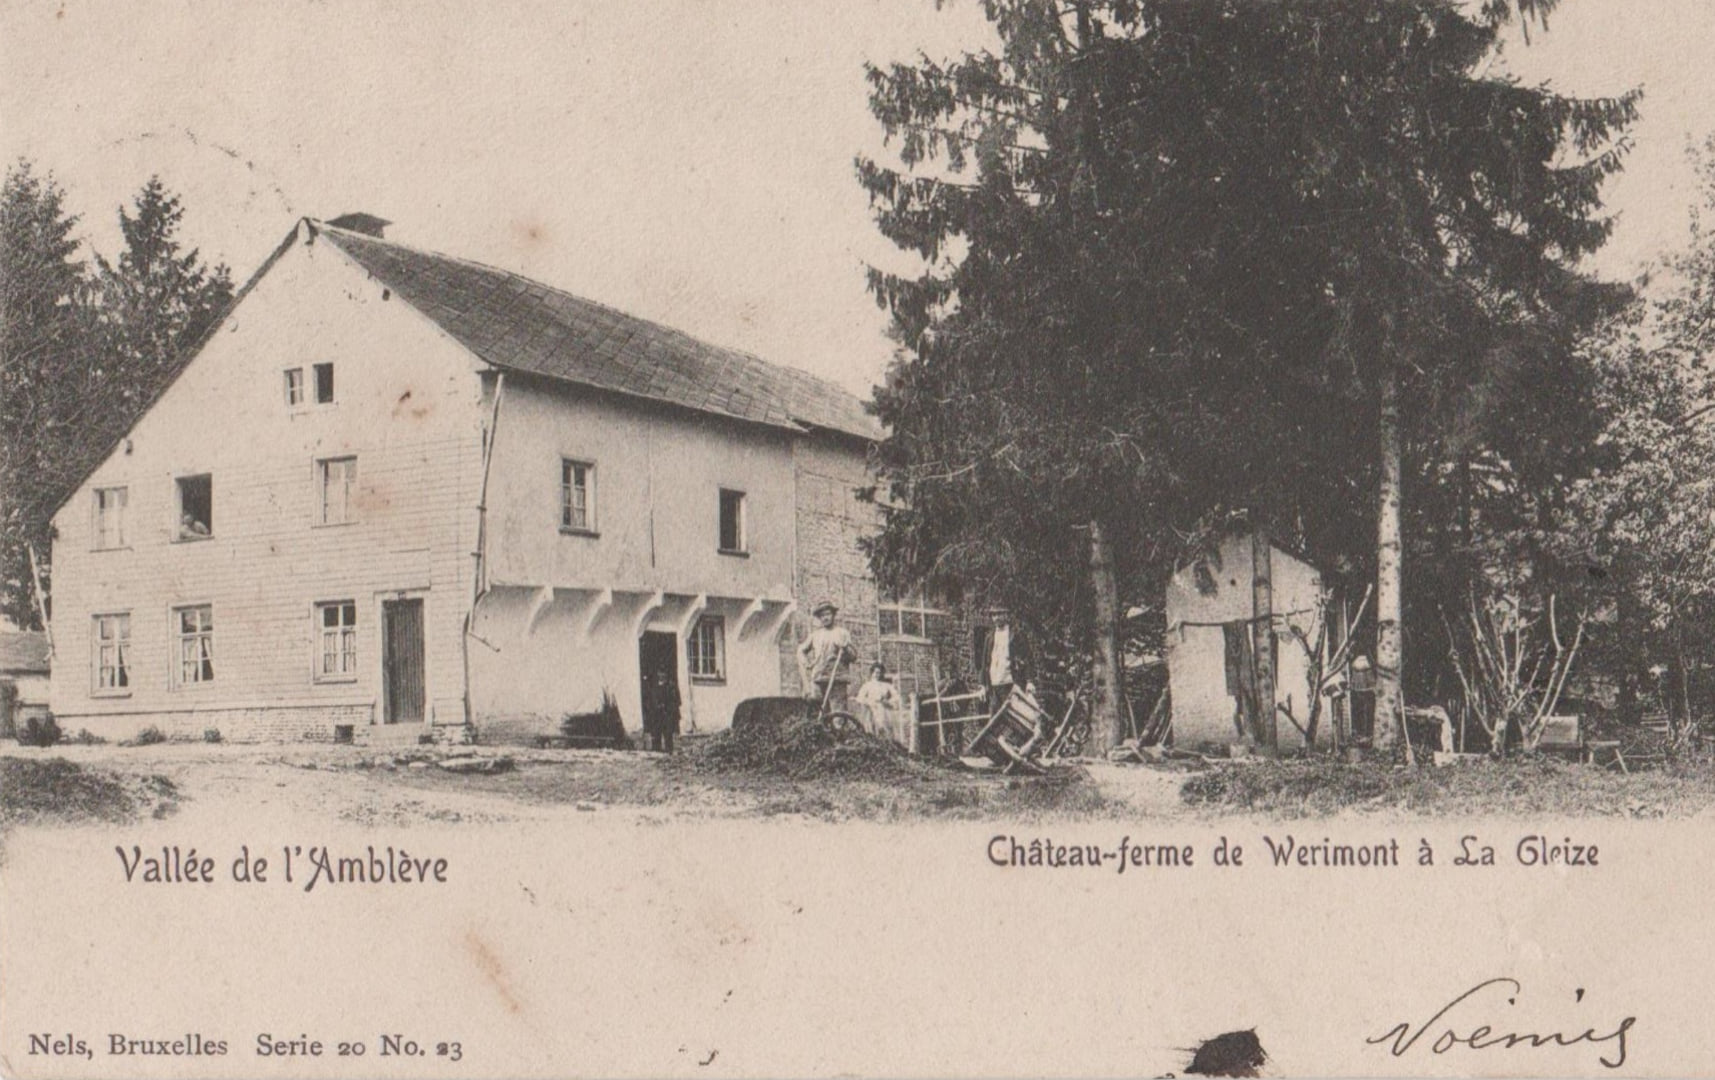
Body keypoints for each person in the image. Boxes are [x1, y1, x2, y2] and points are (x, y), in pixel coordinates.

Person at [798, 600, 856, 714]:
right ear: (819, 618)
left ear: (833, 615)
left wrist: (845, 648)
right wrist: (807, 663)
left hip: (837, 679)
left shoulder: (842, 633)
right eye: (822, 616)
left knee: (837, 713)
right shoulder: (815, 635)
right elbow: (801, 650)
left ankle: (838, 731)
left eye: (828, 614)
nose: (825, 618)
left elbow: (853, 656)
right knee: (817, 711)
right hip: (818, 678)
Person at [973, 605, 1028, 713]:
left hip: (1011, 685)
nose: (996, 618)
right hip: (994, 687)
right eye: (994, 615)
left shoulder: (1016, 635)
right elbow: (985, 664)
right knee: (995, 721)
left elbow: (1027, 659)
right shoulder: (989, 637)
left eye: (999, 614)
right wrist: (982, 686)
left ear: (1006, 615)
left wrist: (1029, 681)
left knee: (1016, 719)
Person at [855, 661, 906, 746]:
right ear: (872, 673)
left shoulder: (886, 685)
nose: (877, 674)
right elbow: (860, 698)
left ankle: (887, 744)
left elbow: (896, 696)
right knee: (871, 728)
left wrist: (888, 701)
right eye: (875, 672)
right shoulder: (867, 685)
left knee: (885, 728)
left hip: (883, 710)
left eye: (879, 673)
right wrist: (868, 702)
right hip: (871, 709)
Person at [641, 668, 681, 752]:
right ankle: (656, 749)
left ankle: (669, 750)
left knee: (668, 733)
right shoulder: (654, 687)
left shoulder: (671, 686)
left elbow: (677, 701)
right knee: (656, 732)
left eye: (663, 674)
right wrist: (655, 707)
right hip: (657, 714)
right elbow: (650, 699)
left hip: (667, 714)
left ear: (666, 675)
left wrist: (667, 707)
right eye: (660, 674)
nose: (661, 676)